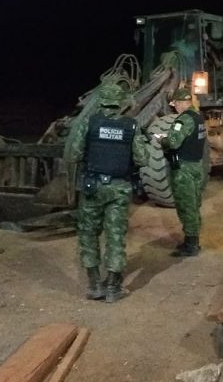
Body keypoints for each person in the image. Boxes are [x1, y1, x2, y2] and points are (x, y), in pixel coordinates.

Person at [68, 82, 149, 303]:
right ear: (120, 101)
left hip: (93, 188)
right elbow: (143, 159)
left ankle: (94, 285)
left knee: (88, 235)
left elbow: (73, 154)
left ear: (102, 100)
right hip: (118, 190)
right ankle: (113, 288)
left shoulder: (88, 123)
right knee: (115, 238)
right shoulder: (131, 126)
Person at [158, 87, 208, 256]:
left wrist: (161, 139)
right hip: (196, 166)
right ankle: (191, 240)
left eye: (175, 104)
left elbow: (173, 142)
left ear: (180, 103)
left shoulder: (183, 120)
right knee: (194, 204)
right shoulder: (199, 117)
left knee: (186, 206)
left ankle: (192, 245)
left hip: (184, 169)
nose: (175, 108)